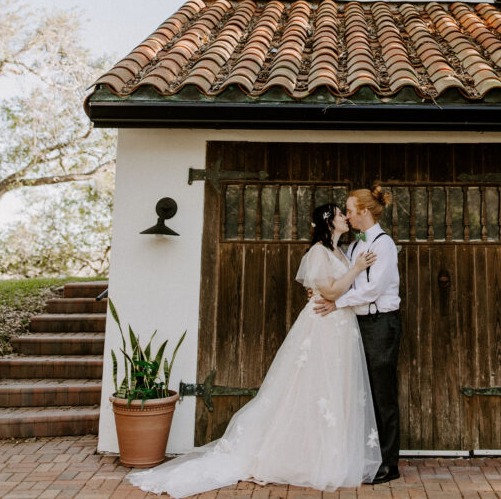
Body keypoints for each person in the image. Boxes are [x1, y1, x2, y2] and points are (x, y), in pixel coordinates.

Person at [127, 203, 382, 497]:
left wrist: (353, 269)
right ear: (328, 223)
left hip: (340, 326)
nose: (345, 218)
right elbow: (331, 291)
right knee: (309, 387)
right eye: (340, 214)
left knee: (333, 389)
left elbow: (340, 289)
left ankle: (327, 454)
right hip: (322, 325)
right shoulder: (317, 253)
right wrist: (357, 269)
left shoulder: (340, 252)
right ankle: (286, 455)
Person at [314, 185, 401, 484]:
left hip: (380, 325)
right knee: (361, 392)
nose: (348, 215)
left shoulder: (383, 245)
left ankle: (390, 464)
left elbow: (372, 290)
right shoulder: (355, 246)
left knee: (382, 393)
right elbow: (346, 282)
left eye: (350, 210)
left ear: (364, 211)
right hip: (357, 324)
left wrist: (336, 303)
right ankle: (368, 457)